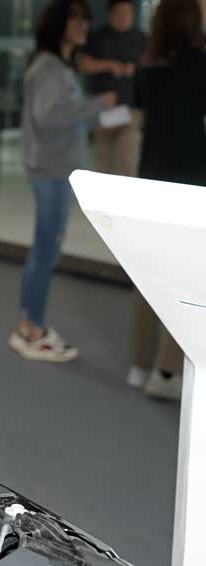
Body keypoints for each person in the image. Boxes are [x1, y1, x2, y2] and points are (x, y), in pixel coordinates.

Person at [9, 0, 116, 362]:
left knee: (43, 250)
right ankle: (34, 331)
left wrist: (93, 117)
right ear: (60, 24)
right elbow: (49, 117)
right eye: (77, 20)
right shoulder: (50, 67)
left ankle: (27, 325)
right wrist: (97, 104)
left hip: (54, 169)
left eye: (86, 20)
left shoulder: (55, 66)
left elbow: (61, 117)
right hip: (51, 172)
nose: (84, 26)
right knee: (46, 251)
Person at [125, 0, 206, 399]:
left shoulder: (148, 66)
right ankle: (167, 371)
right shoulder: (201, 66)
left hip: (151, 178)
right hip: (190, 181)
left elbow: (140, 113)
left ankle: (140, 364)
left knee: (149, 276)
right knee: (184, 279)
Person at [77, 0, 146, 178]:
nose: (123, 17)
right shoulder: (97, 37)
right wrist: (110, 65)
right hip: (104, 108)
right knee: (104, 161)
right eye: (119, 13)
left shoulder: (141, 38)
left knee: (127, 160)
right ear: (110, 14)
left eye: (127, 13)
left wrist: (134, 69)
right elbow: (83, 64)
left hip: (130, 109)